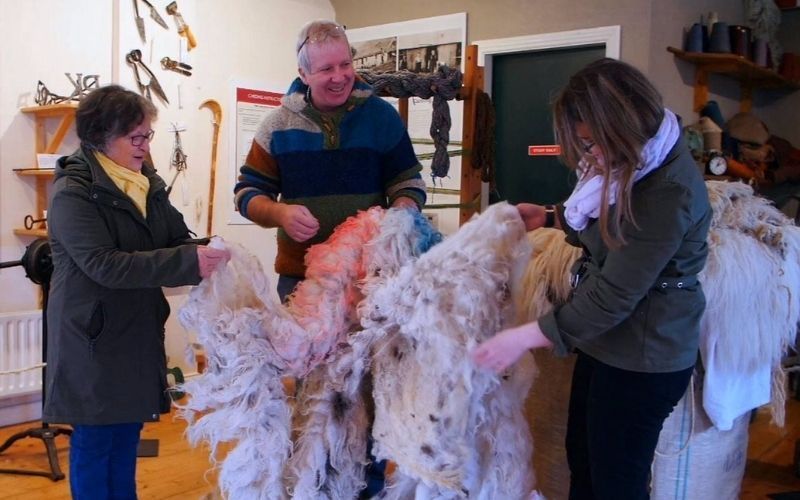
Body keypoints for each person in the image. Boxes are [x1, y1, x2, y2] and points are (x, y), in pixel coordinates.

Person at [471, 59, 712, 499]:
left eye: (592, 143)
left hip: (643, 357)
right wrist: (547, 216)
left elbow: (613, 295)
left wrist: (522, 337)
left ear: (620, 125)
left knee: (615, 484)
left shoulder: (665, 192)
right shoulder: (632, 167)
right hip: (609, 346)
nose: (590, 156)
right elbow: (606, 225)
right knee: (584, 462)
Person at [233, 19, 426, 497]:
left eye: (345, 64)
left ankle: (369, 486)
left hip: (370, 284)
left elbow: (410, 181)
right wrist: (277, 211)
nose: (340, 76)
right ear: (304, 72)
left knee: (370, 390)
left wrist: (402, 210)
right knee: (316, 393)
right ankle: (316, 484)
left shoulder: (380, 117)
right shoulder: (278, 125)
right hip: (304, 284)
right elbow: (246, 193)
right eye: (326, 70)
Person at [43, 84, 229, 499]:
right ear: (101, 137)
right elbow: (103, 264)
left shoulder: (146, 184)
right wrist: (186, 262)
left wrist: (208, 251)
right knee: (95, 444)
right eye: (136, 137)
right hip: (92, 338)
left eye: (148, 135)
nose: (145, 146)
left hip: (135, 332)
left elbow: (177, 236)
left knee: (126, 440)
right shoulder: (72, 193)